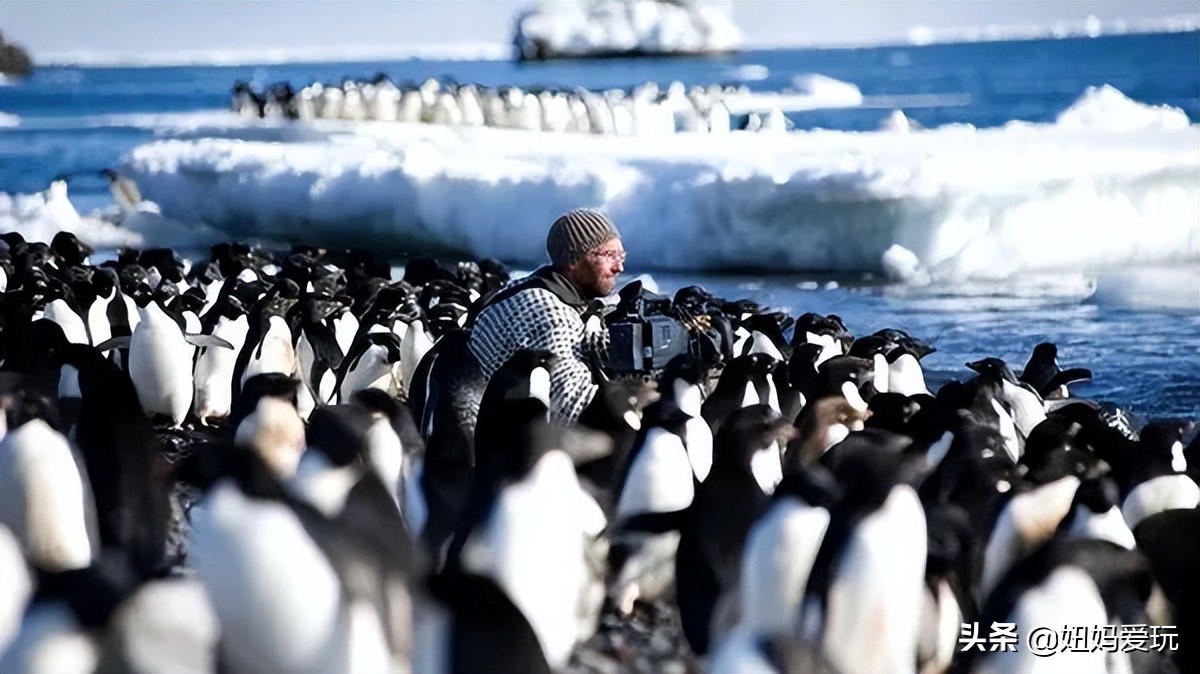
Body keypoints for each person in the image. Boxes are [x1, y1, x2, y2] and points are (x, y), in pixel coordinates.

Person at [468, 207, 627, 424]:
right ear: (573, 260)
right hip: (511, 448)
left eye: (620, 255)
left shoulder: (533, 289)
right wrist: (640, 401)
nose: (619, 267)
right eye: (608, 256)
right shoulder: (547, 314)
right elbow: (571, 408)